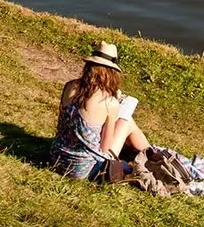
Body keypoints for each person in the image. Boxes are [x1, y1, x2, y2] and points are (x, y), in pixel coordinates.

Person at [50, 42, 151, 180]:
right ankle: (153, 157)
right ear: (111, 72)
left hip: (57, 158)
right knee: (127, 123)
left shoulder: (69, 86)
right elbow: (105, 147)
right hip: (83, 169)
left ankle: (150, 153)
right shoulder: (109, 102)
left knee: (124, 122)